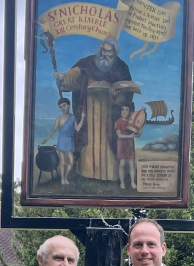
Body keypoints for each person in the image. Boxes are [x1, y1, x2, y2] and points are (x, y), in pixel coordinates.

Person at [53, 36, 134, 182]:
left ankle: (109, 174)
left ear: (114, 52)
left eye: (109, 52)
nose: (105, 54)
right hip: (88, 109)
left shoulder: (121, 68)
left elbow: (127, 92)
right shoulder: (89, 62)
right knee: (88, 139)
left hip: (109, 112)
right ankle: (86, 170)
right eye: (104, 50)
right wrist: (63, 76)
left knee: (107, 141)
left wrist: (115, 93)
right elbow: (75, 73)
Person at [40, 97, 86, 185]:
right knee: (62, 161)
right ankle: (62, 179)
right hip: (61, 140)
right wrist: (46, 138)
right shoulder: (58, 118)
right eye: (60, 107)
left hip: (69, 141)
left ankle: (65, 176)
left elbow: (77, 129)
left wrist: (83, 118)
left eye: (64, 105)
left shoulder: (73, 117)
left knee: (71, 162)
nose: (62, 108)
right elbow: (54, 129)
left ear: (68, 106)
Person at [114, 102, 140, 190]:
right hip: (121, 144)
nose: (124, 111)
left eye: (126, 109)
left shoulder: (132, 122)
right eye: (123, 109)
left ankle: (133, 182)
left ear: (130, 112)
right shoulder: (118, 122)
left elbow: (137, 133)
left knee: (132, 164)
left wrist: (138, 132)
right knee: (122, 163)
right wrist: (130, 136)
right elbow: (119, 135)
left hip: (130, 144)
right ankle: (122, 183)